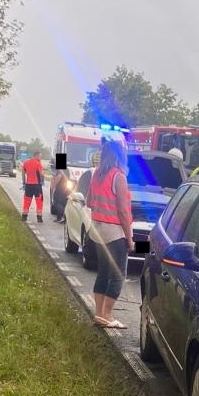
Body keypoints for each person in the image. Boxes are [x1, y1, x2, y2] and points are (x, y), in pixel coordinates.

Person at [87, 139, 133, 329]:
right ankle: (107, 315)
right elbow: (123, 211)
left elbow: (89, 201)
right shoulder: (119, 177)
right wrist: (129, 238)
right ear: (120, 155)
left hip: (97, 230)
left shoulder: (97, 174)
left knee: (103, 273)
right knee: (117, 275)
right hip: (114, 232)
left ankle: (99, 313)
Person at [20, 152, 44, 222]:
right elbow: (41, 174)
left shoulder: (26, 163)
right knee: (39, 201)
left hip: (28, 185)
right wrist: (42, 181)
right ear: (36, 156)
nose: (40, 158)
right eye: (40, 156)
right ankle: (39, 217)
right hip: (37, 186)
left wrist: (24, 182)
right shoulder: (38, 163)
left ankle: (24, 216)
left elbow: (23, 173)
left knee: (27, 200)